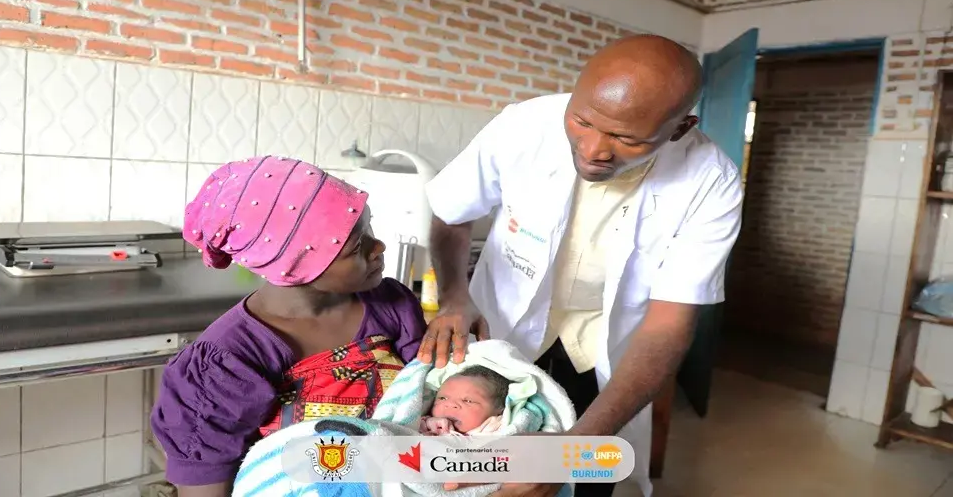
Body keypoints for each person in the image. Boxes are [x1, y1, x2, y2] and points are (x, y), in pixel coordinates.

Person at [417, 34, 744, 497]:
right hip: (500, 336)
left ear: (679, 128)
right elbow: (453, 212)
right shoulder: (524, 125)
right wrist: (454, 296)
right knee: (468, 471)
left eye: (626, 139)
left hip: (608, 358)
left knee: (586, 481)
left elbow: (669, 325)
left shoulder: (712, 182)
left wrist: (572, 451)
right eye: (582, 121)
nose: (593, 150)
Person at [151, 156, 427, 497]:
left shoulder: (392, 306)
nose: (378, 246)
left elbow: (431, 401)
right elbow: (205, 489)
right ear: (296, 266)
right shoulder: (225, 363)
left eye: (368, 228)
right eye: (357, 245)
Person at [419, 365, 511, 435]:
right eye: (442, 398)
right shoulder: (426, 426)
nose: (450, 404)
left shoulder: (498, 431)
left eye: (468, 401)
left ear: (500, 410)